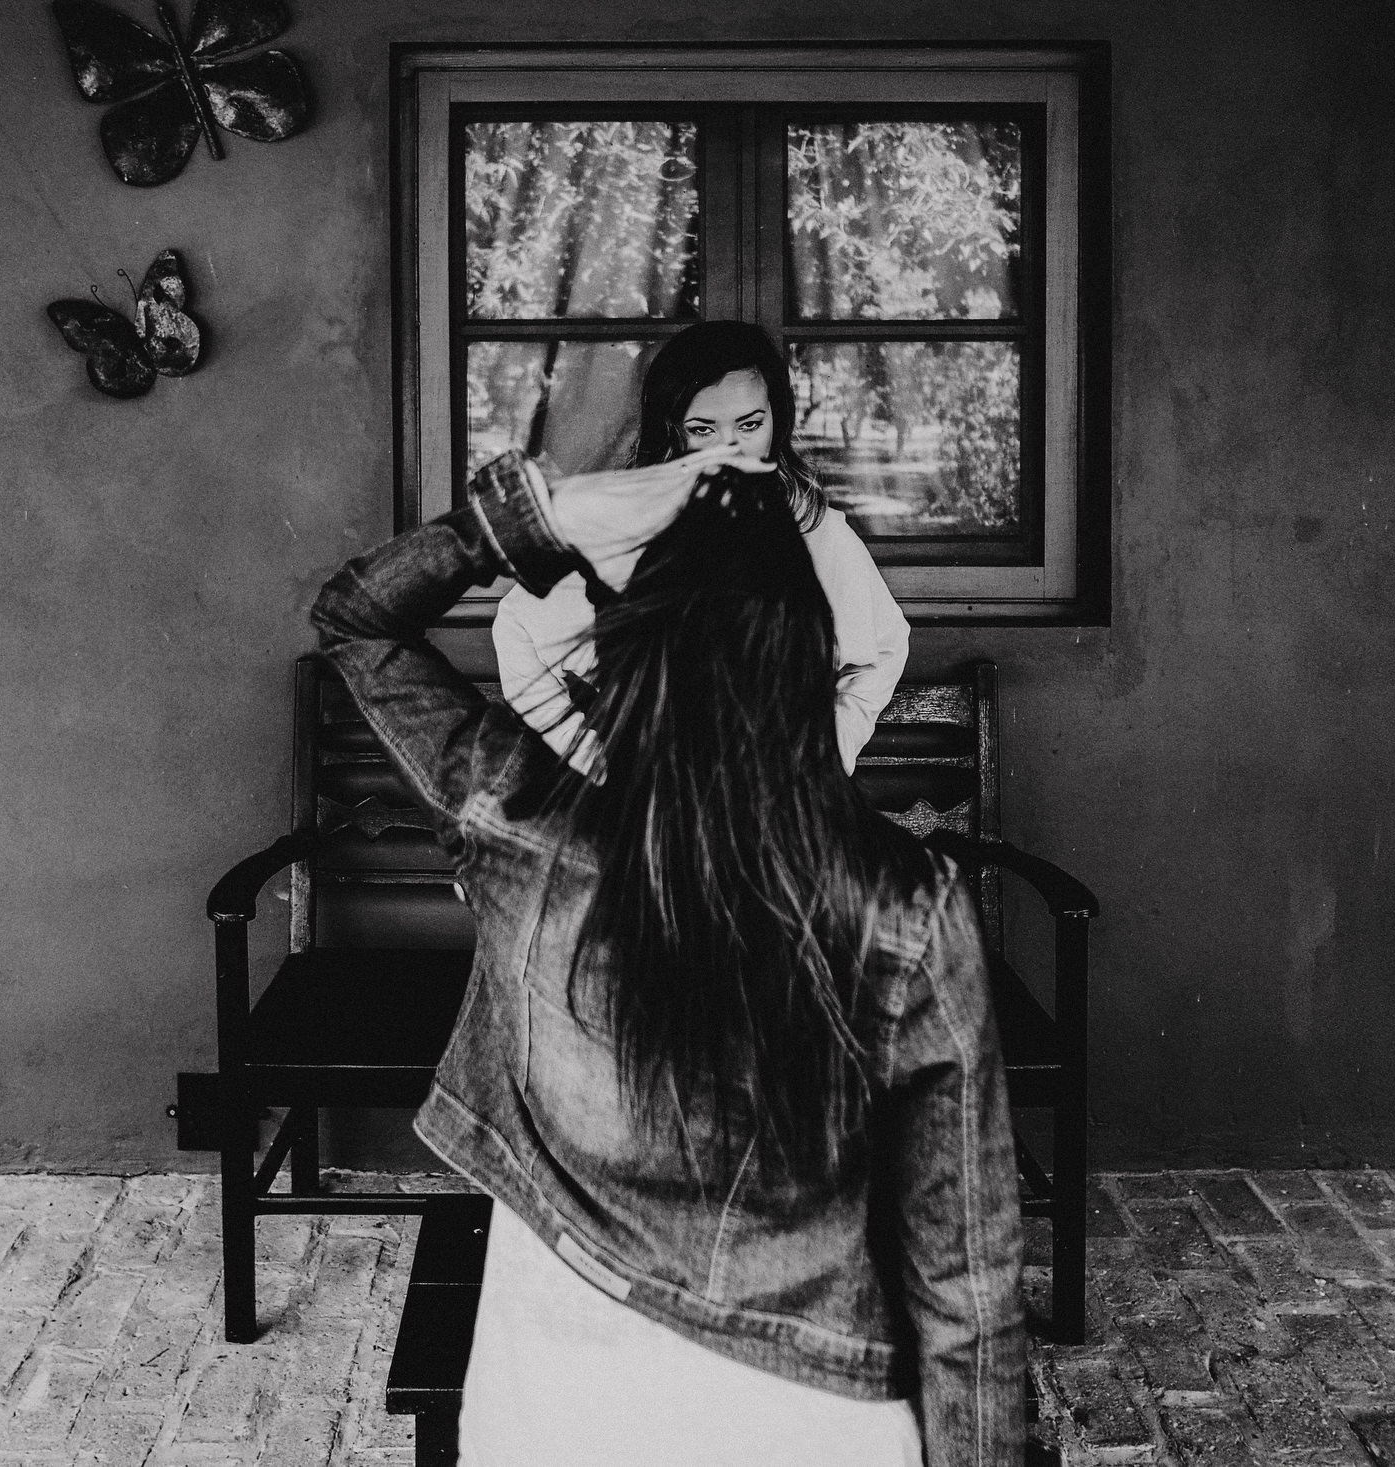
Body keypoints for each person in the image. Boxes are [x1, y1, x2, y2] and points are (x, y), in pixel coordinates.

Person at [310, 439, 1023, 1466]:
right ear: (807, 653)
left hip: (551, 1400)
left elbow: (355, 616)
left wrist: (534, 517)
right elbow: (966, 1287)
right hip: (811, 1417)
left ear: (619, 654)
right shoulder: (908, 908)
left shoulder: (518, 819)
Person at [493, 321, 908, 776]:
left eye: (750, 424)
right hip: (657, 802)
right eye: (703, 429)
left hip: (777, 802)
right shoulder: (626, 534)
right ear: (671, 431)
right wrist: (595, 763)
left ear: (776, 421)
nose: (730, 450)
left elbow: (883, 651)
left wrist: (827, 757)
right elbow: (517, 624)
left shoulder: (817, 534)